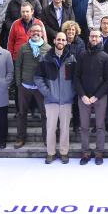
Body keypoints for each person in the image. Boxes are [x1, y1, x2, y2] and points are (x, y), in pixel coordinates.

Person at [34, 31, 76, 164]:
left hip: (66, 100)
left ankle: (64, 152)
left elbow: (76, 78)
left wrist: (71, 93)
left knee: (65, 128)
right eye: (59, 39)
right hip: (51, 100)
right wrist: (47, 92)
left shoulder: (71, 58)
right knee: (51, 128)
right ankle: (50, 153)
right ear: (54, 41)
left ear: (66, 42)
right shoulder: (45, 58)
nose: (61, 42)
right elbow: (38, 77)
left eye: (63, 40)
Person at [74, 29, 108, 165]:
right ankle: (85, 153)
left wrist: (97, 96)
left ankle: (99, 153)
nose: (94, 38)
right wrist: (82, 95)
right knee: (84, 126)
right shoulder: (82, 55)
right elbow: (76, 77)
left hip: (100, 97)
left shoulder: (105, 57)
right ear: (89, 38)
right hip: (84, 97)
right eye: (92, 36)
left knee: (100, 126)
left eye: (96, 36)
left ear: (100, 38)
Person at [14, 23, 50, 149]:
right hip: (25, 86)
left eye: (38, 31)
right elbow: (18, 66)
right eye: (33, 31)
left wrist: (48, 86)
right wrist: (18, 83)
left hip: (41, 88)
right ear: (29, 33)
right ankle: (20, 138)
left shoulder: (48, 48)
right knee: (21, 113)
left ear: (42, 33)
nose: (36, 33)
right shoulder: (23, 48)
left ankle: (47, 139)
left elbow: (50, 69)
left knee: (45, 114)